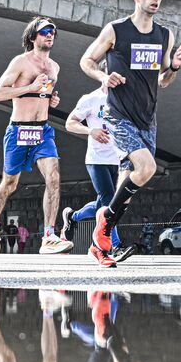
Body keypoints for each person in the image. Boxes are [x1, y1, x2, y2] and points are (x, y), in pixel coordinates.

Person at [78, 0, 181, 267]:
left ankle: (100, 248)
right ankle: (103, 225)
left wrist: (175, 67)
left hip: (147, 119)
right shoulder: (116, 30)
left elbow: (164, 81)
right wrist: (104, 77)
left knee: (126, 186)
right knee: (147, 168)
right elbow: (86, 61)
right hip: (119, 115)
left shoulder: (164, 35)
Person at [0, 17, 72, 255]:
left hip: (42, 130)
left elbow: (43, 95)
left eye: (52, 31)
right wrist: (30, 88)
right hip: (18, 130)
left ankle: (49, 235)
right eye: (44, 31)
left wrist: (50, 99)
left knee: (53, 178)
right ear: (33, 36)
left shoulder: (55, 67)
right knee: (9, 184)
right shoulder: (20, 62)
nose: (49, 35)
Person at [61, 75, 127, 261]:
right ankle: (114, 245)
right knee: (108, 201)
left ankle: (73, 216)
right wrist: (91, 131)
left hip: (120, 159)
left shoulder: (126, 99)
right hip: (97, 160)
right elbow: (70, 123)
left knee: (108, 204)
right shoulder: (90, 99)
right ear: (103, 75)